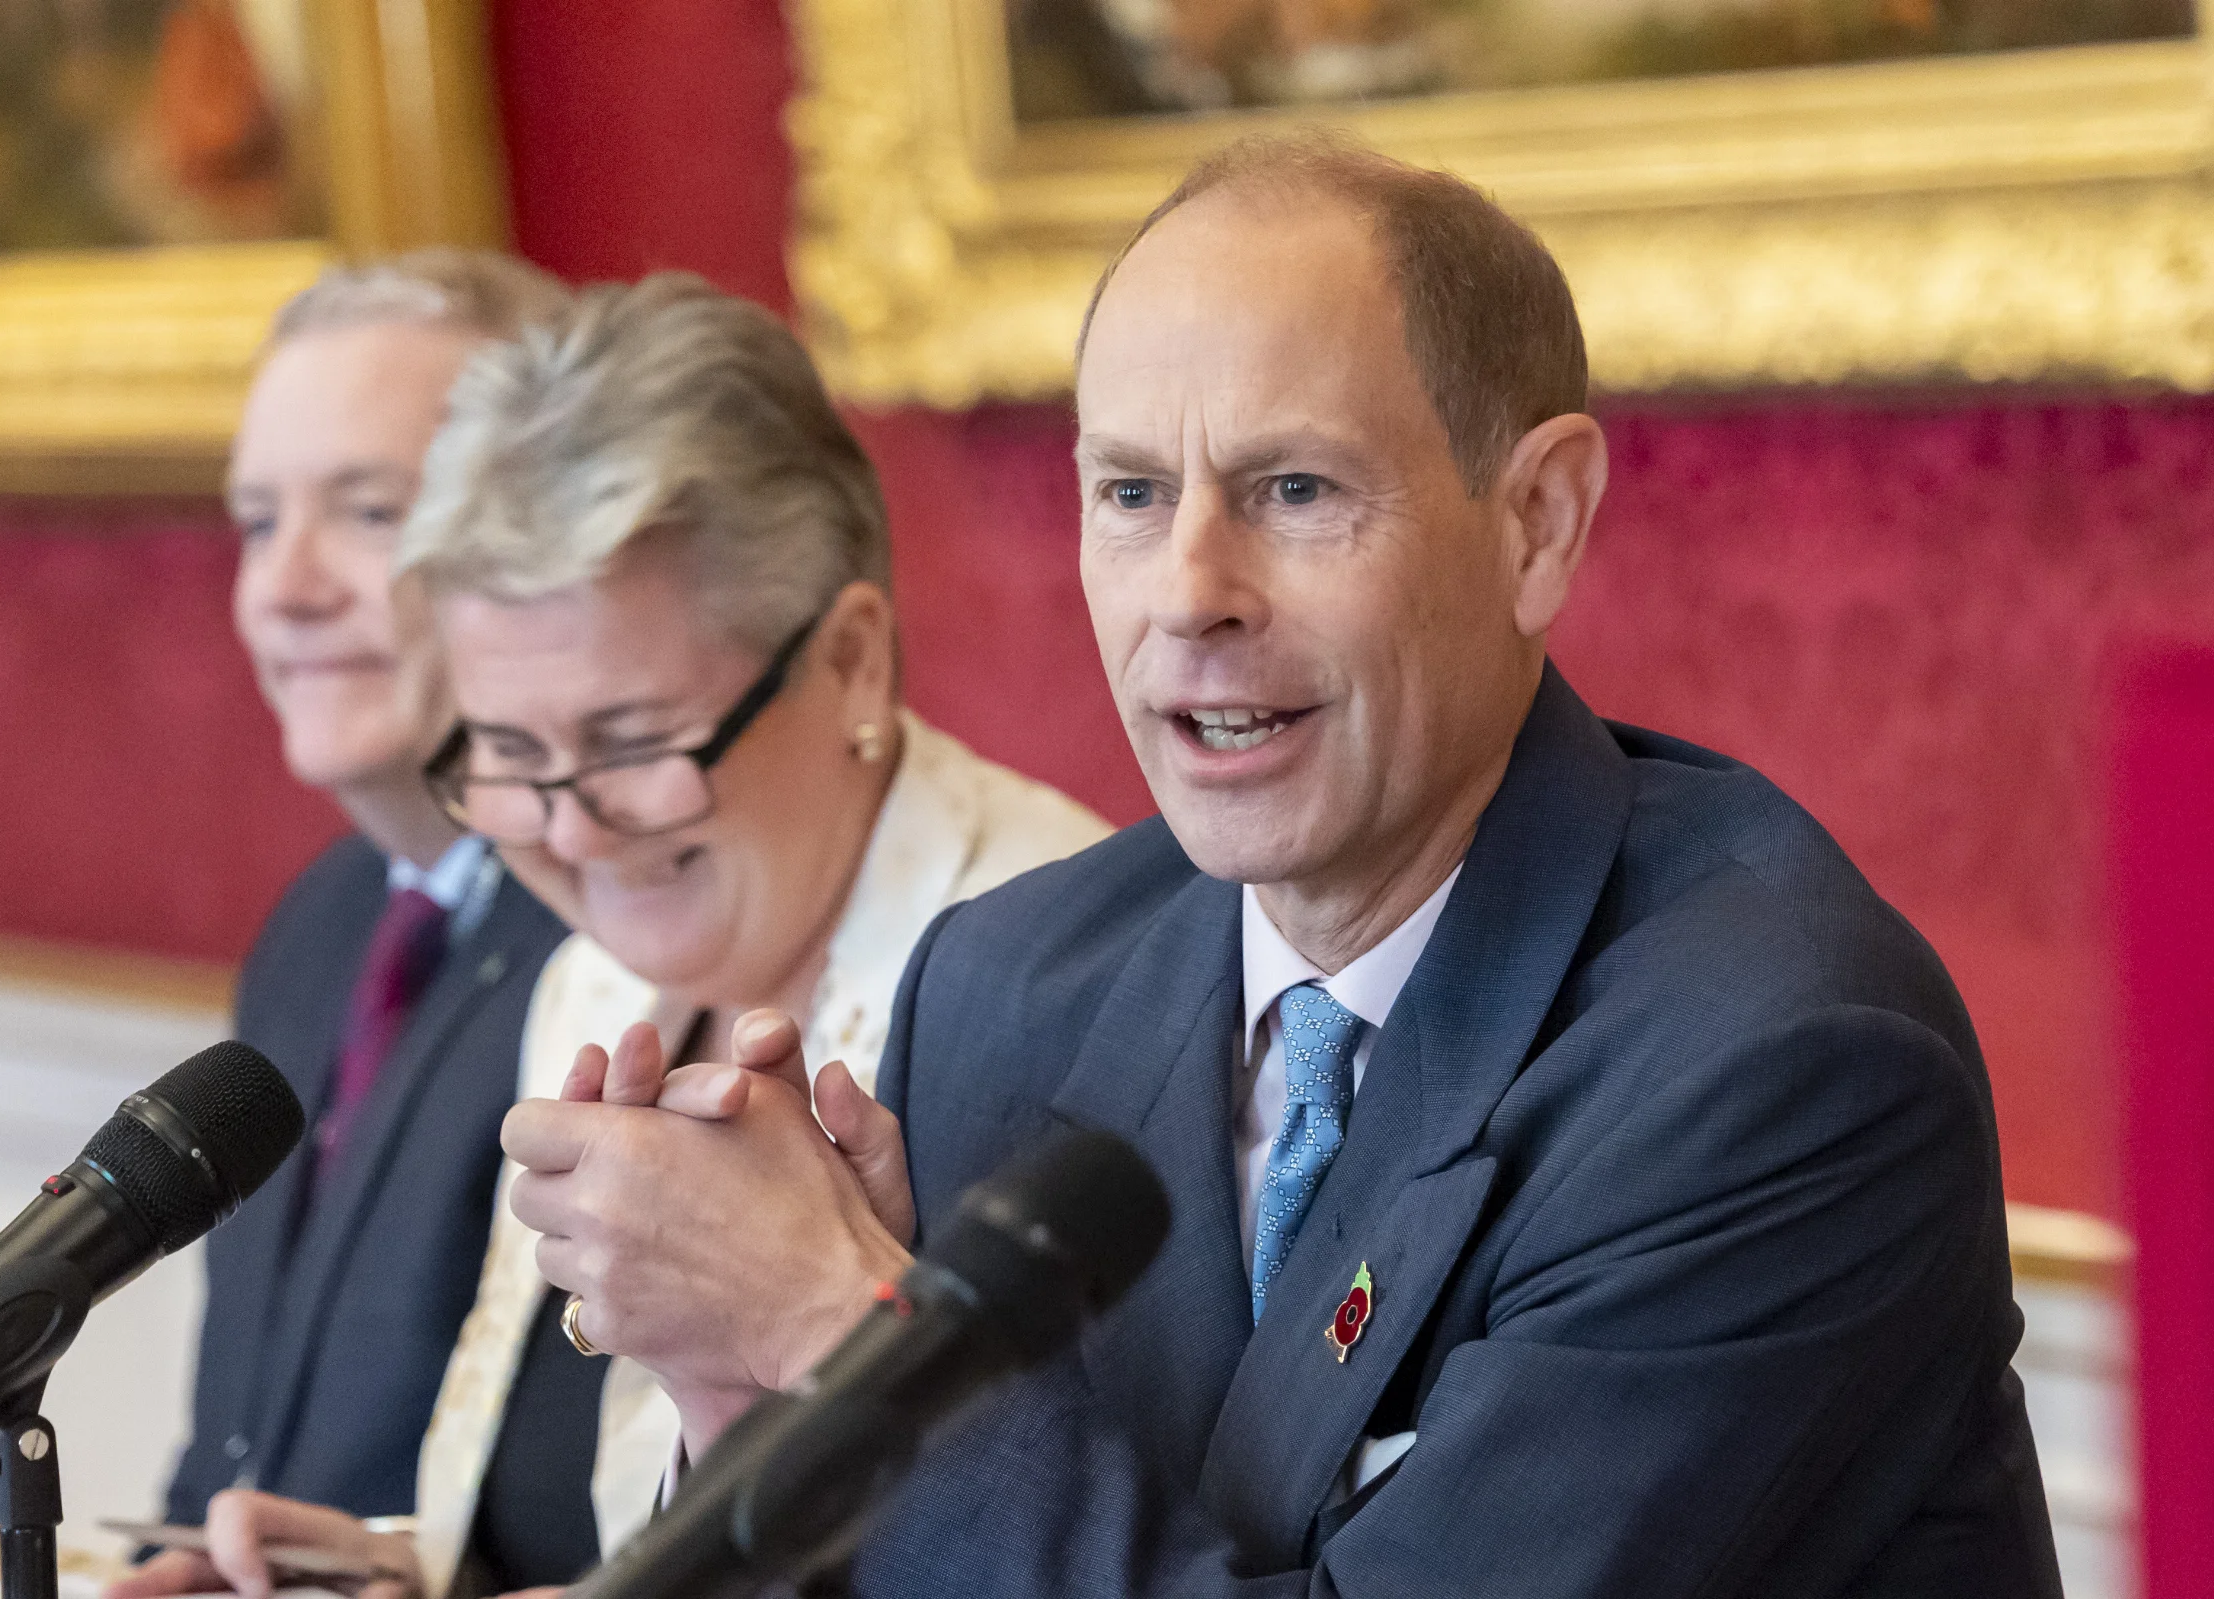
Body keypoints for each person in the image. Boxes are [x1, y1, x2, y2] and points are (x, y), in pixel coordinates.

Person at [502, 136, 2062, 1596]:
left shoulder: (1779, 1066)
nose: (1191, 593)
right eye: (1131, 493)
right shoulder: (1003, 983)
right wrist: (749, 1389)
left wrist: (842, 1325)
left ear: (1536, 521)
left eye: (1295, 490)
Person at [116, 273, 1110, 1599]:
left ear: (853, 662)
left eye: (634, 742)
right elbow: (640, 1531)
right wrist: (406, 1574)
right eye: (509, 754)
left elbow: (1068, 1555)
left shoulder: (1069, 988)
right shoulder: (599, 978)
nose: (572, 833)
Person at [146, 253, 575, 1533]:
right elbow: (236, 1445)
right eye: (257, 522)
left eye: (372, 513)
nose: (286, 589)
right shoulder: (319, 925)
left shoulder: (633, 947)